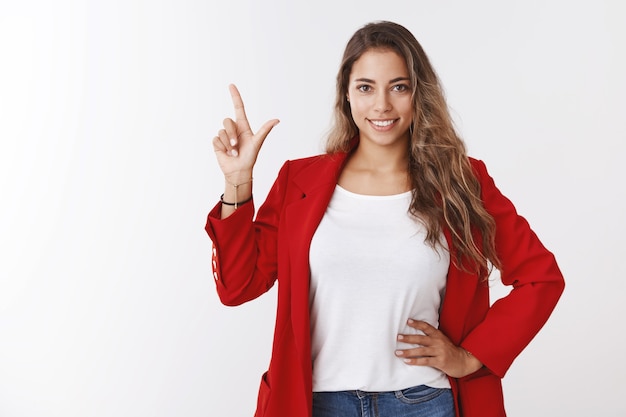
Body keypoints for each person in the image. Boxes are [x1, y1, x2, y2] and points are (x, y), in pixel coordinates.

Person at [206, 20, 564, 417]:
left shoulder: (463, 180)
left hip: (423, 402)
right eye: (365, 87)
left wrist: (469, 357)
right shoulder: (299, 181)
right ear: (346, 94)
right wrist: (237, 183)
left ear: (418, 93)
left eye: (399, 86)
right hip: (317, 403)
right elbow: (237, 286)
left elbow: (540, 278)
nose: (382, 105)